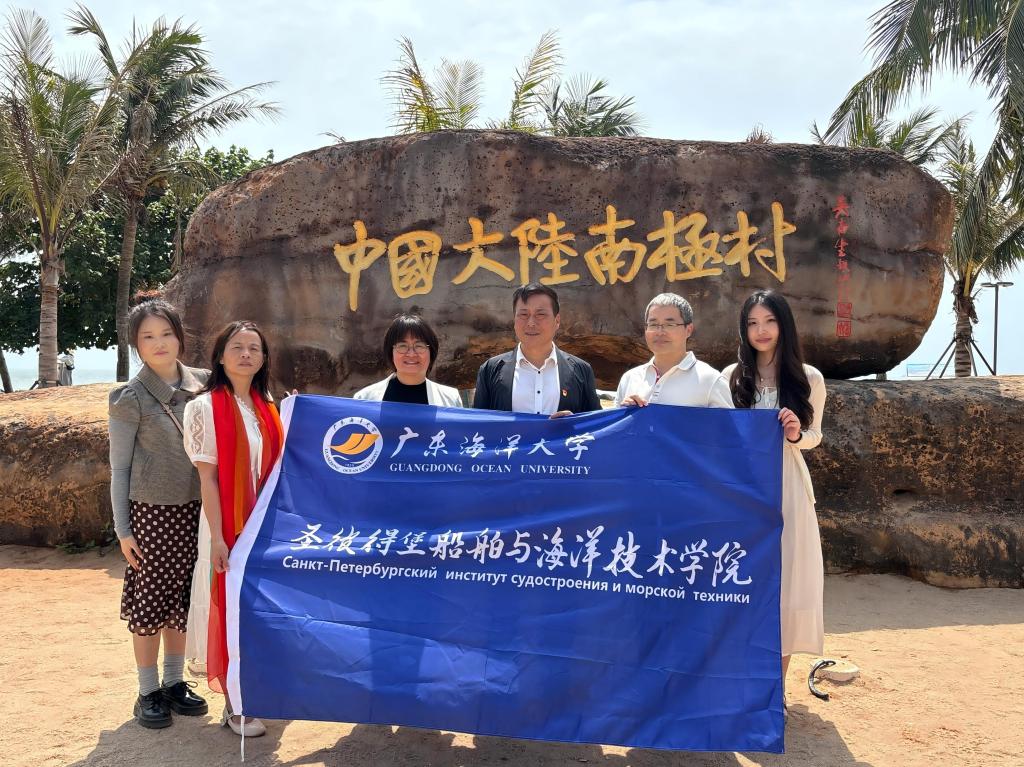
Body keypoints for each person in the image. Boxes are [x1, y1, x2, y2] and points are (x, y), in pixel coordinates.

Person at [108, 298, 210, 729]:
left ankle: (174, 682)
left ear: (180, 337)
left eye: (166, 333)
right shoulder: (129, 397)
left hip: (201, 512)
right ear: (136, 345)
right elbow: (120, 468)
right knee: (151, 605)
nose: (159, 343)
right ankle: (147, 690)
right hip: (152, 515)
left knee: (184, 600)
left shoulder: (206, 384)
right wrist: (123, 531)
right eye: (148, 336)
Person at [722, 289, 826, 703]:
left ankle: (773, 693)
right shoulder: (731, 377)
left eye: (769, 321)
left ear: (784, 325)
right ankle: (739, 684)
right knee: (741, 583)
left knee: (786, 587)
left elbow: (816, 436)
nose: (761, 330)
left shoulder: (808, 378)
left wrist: (796, 433)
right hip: (742, 491)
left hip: (788, 489)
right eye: (752, 323)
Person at [183, 321, 284, 737]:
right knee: (230, 609)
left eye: (254, 348)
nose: (246, 354)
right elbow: (207, 479)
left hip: (266, 527)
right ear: (220, 356)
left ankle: (256, 692)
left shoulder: (268, 406)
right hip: (228, 524)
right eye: (237, 347)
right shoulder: (204, 407)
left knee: (259, 611)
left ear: (263, 359)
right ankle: (234, 706)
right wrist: (220, 537)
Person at [472, 283, 600, 415]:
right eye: (523, 314)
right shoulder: (490, 370)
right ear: (514, 320)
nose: (531, 323)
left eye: (540, 314)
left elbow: (597, 423)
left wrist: (574, 422)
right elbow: (477, 423)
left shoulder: (581, 370)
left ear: (557, 321)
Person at [614, 293, 733, 408]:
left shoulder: (711, 381)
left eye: (669, 325)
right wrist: (626, 412)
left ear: (688, 330)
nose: (659, 332)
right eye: (653, 324)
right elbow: (617, 422)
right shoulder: (630, 378)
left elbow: (727, 422)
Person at [353, 313, 462, 406]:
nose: (411, 354)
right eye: (402, 346)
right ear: (391, 352)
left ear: (431, 351)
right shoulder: (364, 399)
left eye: (419, 346)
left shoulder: (451, 399)